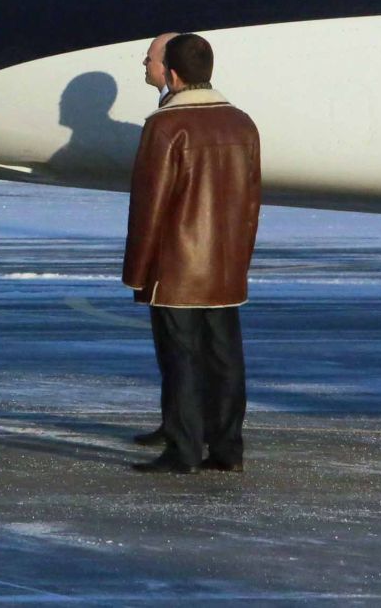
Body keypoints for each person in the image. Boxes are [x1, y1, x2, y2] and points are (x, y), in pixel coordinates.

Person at [123, 33, 262, 475]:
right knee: (225, 358)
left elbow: (150, 205)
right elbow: (252, 202)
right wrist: (241, 258)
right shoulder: (242, 123)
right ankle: (228, 448)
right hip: (225, 266)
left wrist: (136, 271)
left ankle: (182, 450)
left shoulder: (165, 126)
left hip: (177, 268)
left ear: (174, 74)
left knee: (181, 360)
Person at [130, 31, 181, 450]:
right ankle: (176, 423)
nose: (144, 65)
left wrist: (139, 263)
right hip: (185, 259)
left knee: (181, 347)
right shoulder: (165, 110)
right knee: (174, 347)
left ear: (169, 66)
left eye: (148, 58)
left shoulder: (169, 120)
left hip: (176, 260)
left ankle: (185, 430)